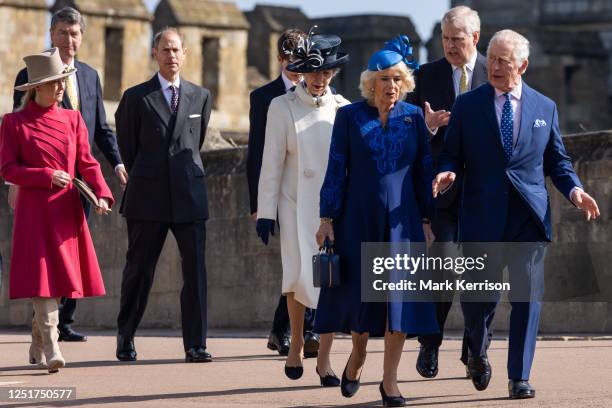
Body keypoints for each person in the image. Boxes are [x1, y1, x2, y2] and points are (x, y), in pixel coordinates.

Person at [433, 29, 600, 399]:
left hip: (528, 216)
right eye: (491, 58)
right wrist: (448, 172)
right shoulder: (468, 105)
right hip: (481, 217)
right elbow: (451, 154)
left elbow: (557, 161)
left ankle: (519, 376)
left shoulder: (545, 107)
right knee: (480, 301)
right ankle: (476, 352)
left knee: (527, 298)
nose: (493, 66)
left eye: (503, 61)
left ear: (522, 65)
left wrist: (575, 191)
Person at [315, 36, 439, 406]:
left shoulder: (414, 117)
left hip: (403, 224)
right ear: (371, 83)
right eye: (384, 79)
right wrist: (327, 217)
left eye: (398, 79)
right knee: (359, 301)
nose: (391, 86)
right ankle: (357, 356)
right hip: (358, 220)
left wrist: (428, 218)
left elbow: (423, 170)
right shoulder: (350, 116)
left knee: (398, 303)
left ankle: (390, 382)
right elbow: (336, 167)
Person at [11, 6, 127, 343]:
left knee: (73, 245)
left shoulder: (89, 75)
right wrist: (14, 183)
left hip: (80, 178)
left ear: (82, 37)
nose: (69, 39)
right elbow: (19, 130)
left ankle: (65, 321)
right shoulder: (29, 73)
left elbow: (101, 128)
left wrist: (117, 164)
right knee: (45, 251)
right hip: (43, 180)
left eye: (75, 33)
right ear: (52, 35)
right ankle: (47, 321)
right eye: (63, 32)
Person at [0, 47, 113, 373]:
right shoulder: (14, 123)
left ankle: (37, 338)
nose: (61, 87)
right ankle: (51, 345)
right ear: (36, 87)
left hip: (65, 211)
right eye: (54, 82)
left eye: (63, 81)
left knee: (60, 283)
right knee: (41, 281)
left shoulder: (73, 119)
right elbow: (8, 169)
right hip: (34, 212)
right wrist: (46, 176)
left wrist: (101, 193)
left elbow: (87, 163)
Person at [256, 28, 350, 384]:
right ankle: (296, 343)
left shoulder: (344, 109)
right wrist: (266, 211)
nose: (319, 79)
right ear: (301, 71)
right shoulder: (281, 107)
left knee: (329, 283)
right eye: (313, 72)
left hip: (330, 211)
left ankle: (324, 360)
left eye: (326, 73)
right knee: (296, 279)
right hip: (294, 206)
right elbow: (271, 162)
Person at [114, 27, 213, 363]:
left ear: (185, 53)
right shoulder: (135, 97)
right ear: (154, 53)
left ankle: (195, 344)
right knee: (139, 271)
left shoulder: (200, 96)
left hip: (189, 194)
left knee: (196, 273)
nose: (172, 56)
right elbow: (128, 146)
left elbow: (195, 143)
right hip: (148, 195)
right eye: (165, 50)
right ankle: (125, 336)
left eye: (176, 50)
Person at [406, 5, 488, 379]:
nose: (450, 46)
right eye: (444, 39)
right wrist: (427, 126)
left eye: (457, 39)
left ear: (475, 37)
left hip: (486, 193)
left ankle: (476, 352)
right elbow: (405, 137)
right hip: (441, 192)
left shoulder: (496, 71)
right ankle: (430, 343)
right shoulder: (425, 76)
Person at [246, 28, 319, 358]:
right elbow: (258, 153)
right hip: (284, 196)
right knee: (296, 263)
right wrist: (259, 205)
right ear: (279, 59)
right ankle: (293, 330)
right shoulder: (263, 97)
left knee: (307, 263)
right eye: (291, 60)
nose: (297, 67)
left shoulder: (320, 92)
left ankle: (287, 330)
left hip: (314, 197)